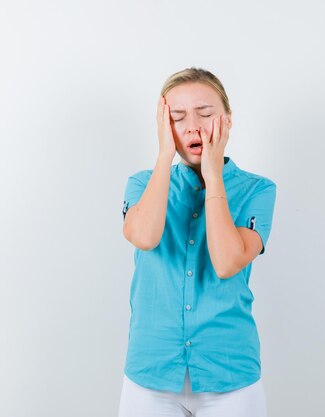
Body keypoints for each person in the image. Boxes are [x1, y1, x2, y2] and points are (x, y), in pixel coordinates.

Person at [118, 67, 277, 417]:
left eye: (205, 114)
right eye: (177, 117)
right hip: (151, 374)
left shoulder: (258, 190)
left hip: (231, 374)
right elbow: (144, 236)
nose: (193, 126)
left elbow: (226, 262)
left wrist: (213, 176)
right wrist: (164, 156)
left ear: (228, 121)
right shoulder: (141, 184)